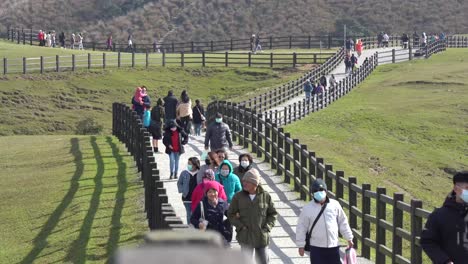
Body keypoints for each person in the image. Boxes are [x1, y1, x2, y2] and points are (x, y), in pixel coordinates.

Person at [296, 179, 354, 264]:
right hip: (316, 248)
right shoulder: (307, 208)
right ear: (312, 193)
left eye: (321, 190)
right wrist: (301, 245)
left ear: (326, 191)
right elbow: (301, 227)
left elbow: (343, 222)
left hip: (333, 246)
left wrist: (349, 238)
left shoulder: (335, 205)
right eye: (315, 191)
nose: (319, 192)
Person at [228, 168, 277, 264]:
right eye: (244, 181)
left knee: (263, 262)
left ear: (255, 183)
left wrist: (267, 227)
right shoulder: (238, 197)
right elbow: (230, 214)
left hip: (261, 237)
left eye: (248, 182)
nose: (244, 184)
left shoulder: (266, 196)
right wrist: (240, 226)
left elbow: (273, 214)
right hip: (245, 237)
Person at [420, 171, 468, 264]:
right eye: (467, 188)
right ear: (455, 189)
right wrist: (445, 261)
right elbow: (427, 241)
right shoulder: (439, 215)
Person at [177, 157, 200, 224]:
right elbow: (179, 183)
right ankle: (189, 226)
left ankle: (195, 226)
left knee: (195, 213)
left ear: (195, 165)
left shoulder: (200, 173)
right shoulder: (184, 173)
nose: (188, 165)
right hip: (186, 198)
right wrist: (182, 190)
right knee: (189, 213)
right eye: (188, 163)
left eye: (190, 164)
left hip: (197, 198)